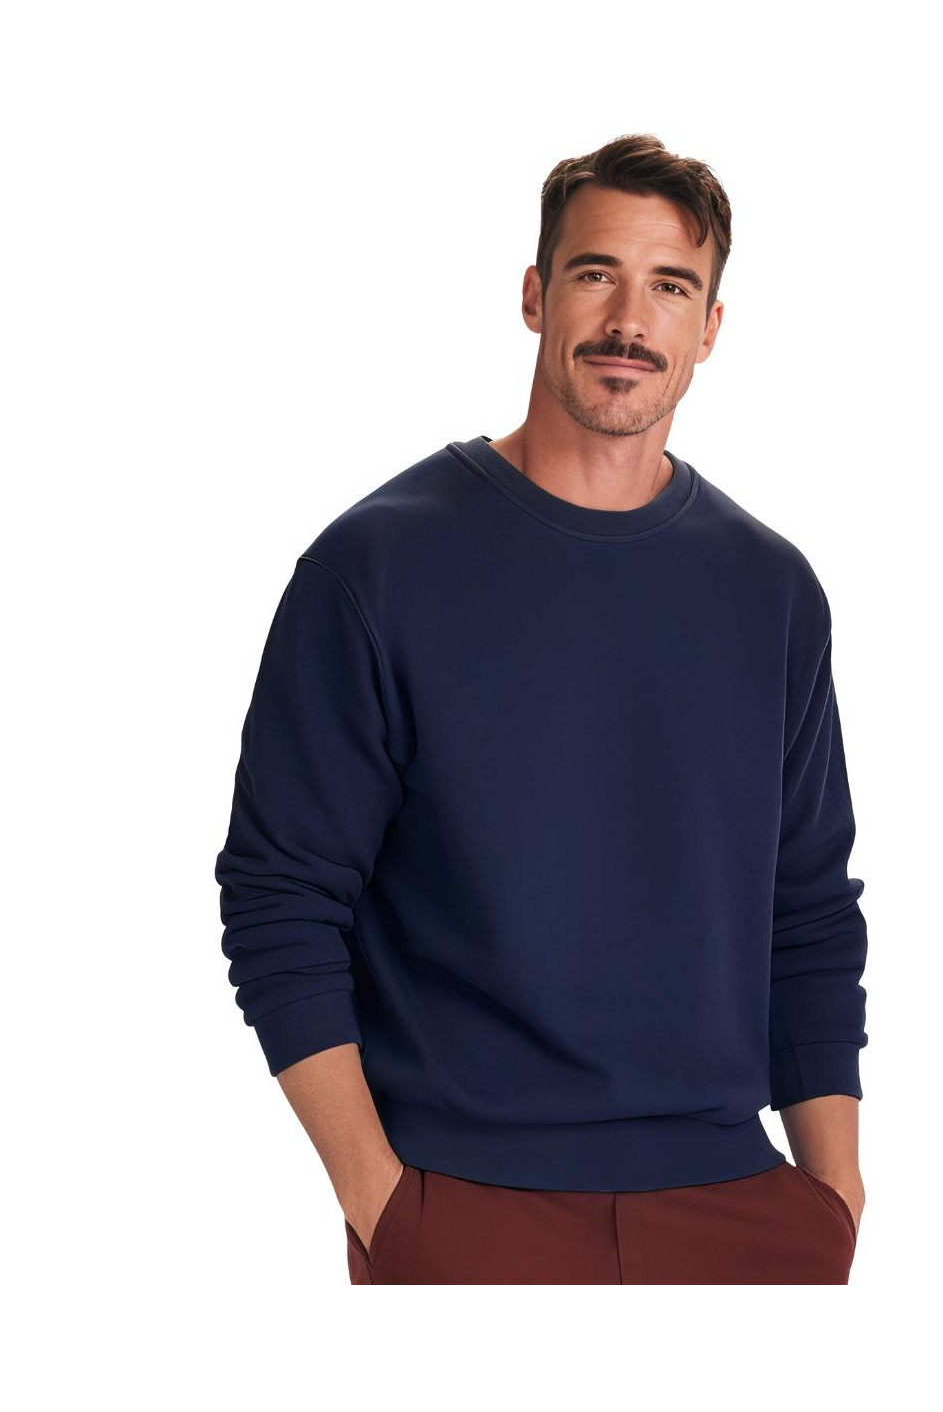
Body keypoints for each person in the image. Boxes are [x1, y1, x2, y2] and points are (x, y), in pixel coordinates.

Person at [214, 132, 869, 1284]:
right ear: (533, 294)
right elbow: (280, 895)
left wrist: (834, 1202)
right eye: (593, 273)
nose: (628, 319)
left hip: (737, 1211)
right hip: (464, 1208)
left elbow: (807, 909)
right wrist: (381, 1202)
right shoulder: (376, 569)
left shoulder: (769, 590)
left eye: (669, 287)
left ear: (709, 328)